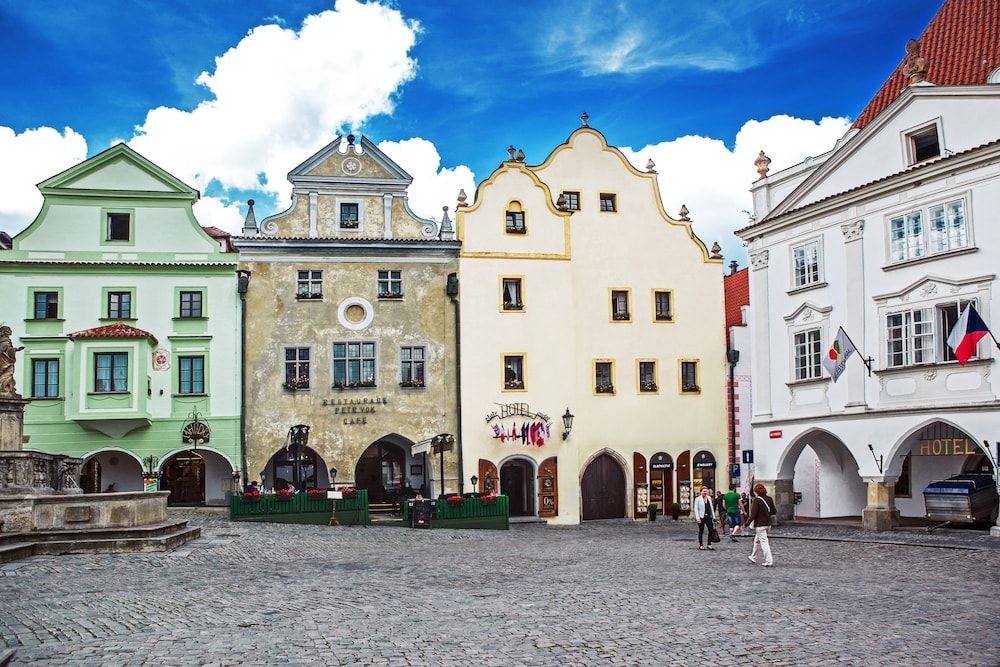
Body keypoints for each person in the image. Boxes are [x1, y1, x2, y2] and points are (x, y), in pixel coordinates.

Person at [746, 483, 774, 567]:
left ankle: (769, 561)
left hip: (760, 525)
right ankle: (753, 556)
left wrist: (746, 523)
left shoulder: (756, 500)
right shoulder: (769, 499)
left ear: (756, 492)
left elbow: (753, 514)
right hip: (768, 524)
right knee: (757, 540)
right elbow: (773, 511)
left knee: (764, 543)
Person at [693, 486, 715, 550]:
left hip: (708, 517)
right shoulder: (698, 499)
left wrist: (713, 516)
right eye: (704, 491)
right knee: (701, 531)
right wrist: (697, 518)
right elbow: (696, 509)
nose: (705, 492)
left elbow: (711, 508)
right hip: (701, 517)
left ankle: (709, 544)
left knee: (711, 530)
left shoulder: (709, 498)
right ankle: (701, 545)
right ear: (701, 492)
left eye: (706, 491)